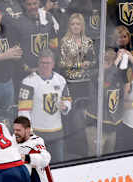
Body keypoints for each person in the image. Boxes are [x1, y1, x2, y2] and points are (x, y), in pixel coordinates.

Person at [18, 49, 72, 163]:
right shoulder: (29, 82)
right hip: (37, 133)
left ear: (53, 64)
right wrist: (29, 132)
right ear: (38, 63)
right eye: (42, 63)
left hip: (57, 132)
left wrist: (65, 107)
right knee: (37, 167)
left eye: (48, 63)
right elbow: (23, 110)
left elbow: (67, 100)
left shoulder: (60, 80)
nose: (45, 66)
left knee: (59, 165)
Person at [59, 13, 96, 158]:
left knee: (84, 115)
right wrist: (80, 65)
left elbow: (94, 60)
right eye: (73, 24)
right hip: (71, 83)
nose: (75, 26)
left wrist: (89, 64)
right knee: (72, 115)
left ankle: (84, 146)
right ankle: (72, 147)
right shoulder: (65, 41)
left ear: (82, 26)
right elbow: (61, 64)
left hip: (86, 83)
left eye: (78, 24)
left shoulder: (88, 41)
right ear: (69, 25)